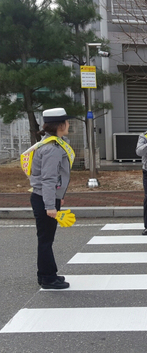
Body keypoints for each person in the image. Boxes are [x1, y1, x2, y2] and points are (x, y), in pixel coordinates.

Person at [29, 108, 73, 289]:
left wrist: (58, 198)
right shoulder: (52, 149)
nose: (69, 125)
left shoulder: (51, 143)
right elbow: (48, 179)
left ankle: (48, 274)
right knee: (46, 240)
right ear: (60, 125)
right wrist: (50, 205)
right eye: (67, 122)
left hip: (46, 196)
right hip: (44, 198)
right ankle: (47, 278)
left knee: (46, 239)